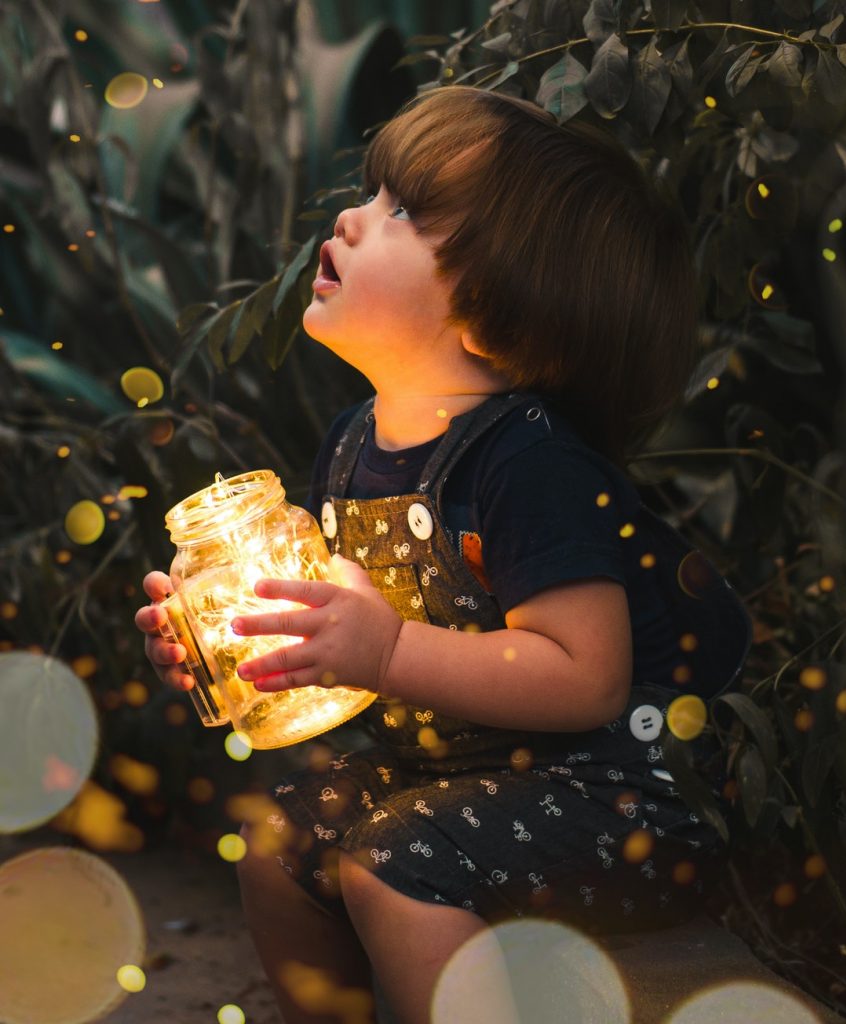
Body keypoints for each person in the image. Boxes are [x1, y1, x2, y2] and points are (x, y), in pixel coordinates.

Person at [135, 86, 752, 1024]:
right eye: (373, 195)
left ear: (496, 321)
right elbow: (336, 616)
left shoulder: (530, 463)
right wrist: (234, 640)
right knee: (276, 846)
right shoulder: (352, 442)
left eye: (402, 213)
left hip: (618, 800)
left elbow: (586, 678)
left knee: (391, 866)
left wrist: (384, 654)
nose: (351, 216)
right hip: (458, 781)